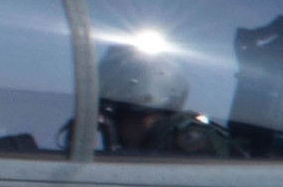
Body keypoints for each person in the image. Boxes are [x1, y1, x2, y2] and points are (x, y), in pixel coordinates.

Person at [95, 44, 234, 156]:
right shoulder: (159, 151)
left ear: (145, 119)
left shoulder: (194, 149)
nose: (105, 126)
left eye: (116, 119)